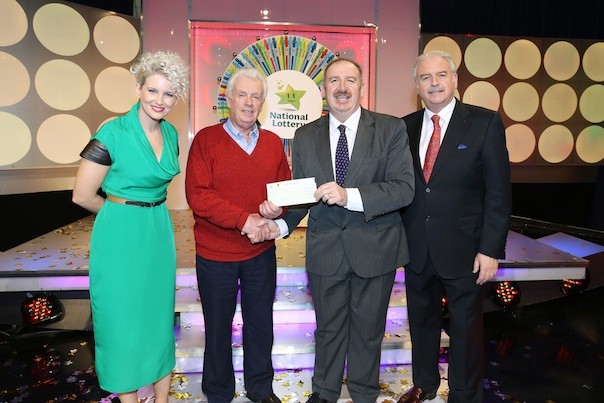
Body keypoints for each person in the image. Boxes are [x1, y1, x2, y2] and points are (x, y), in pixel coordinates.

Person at [259, 58, 415, 403]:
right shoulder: (304, 135)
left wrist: (350, 196)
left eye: (349, 80)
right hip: (326, 248)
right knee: (327, 330)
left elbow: (404, 188)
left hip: (376, 248)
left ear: (362, 86)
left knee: (368, 331)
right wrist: (279, 223)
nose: (342, 87)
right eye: (334, 81)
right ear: (323, 89)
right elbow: (302, 196)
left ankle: (363, 393)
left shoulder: (390, 129)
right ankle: (325, 393)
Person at [72, 50, 189, 403]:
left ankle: (163, 399)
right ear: (138, 89)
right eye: (152, 91)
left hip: (157, 231)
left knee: (157, 321)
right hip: (120, 235)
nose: (160, 100)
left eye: (169, 94)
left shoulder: (170, 135)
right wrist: (118, 213)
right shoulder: (112, 131)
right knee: (122, 324)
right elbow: (82, 195)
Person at [398, 50, 512, 403]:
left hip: (465, 248)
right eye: (426, 77)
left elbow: (498, 192)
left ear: (455, 80)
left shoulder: (484, 122)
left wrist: (491, 249)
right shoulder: (404, 126)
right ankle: (425, 385)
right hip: (417, 246)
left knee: (465, 328)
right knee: (421, 323)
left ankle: (464, 394)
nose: (434, 83)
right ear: (416, 85)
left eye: (441, 75)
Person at [184, 68, 291, 403]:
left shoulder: (273, 143)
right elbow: (198, 196)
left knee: (261, 325)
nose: (248, 102)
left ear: (263, 102)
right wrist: (243, 219)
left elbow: (284, 193)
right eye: (242, 95)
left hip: (261, 253)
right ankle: (218, 391)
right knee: (217, 327)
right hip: (216, 254)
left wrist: (277, 210)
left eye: (255, 96)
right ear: (228, 100)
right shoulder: (205, 140)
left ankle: (260, 388)